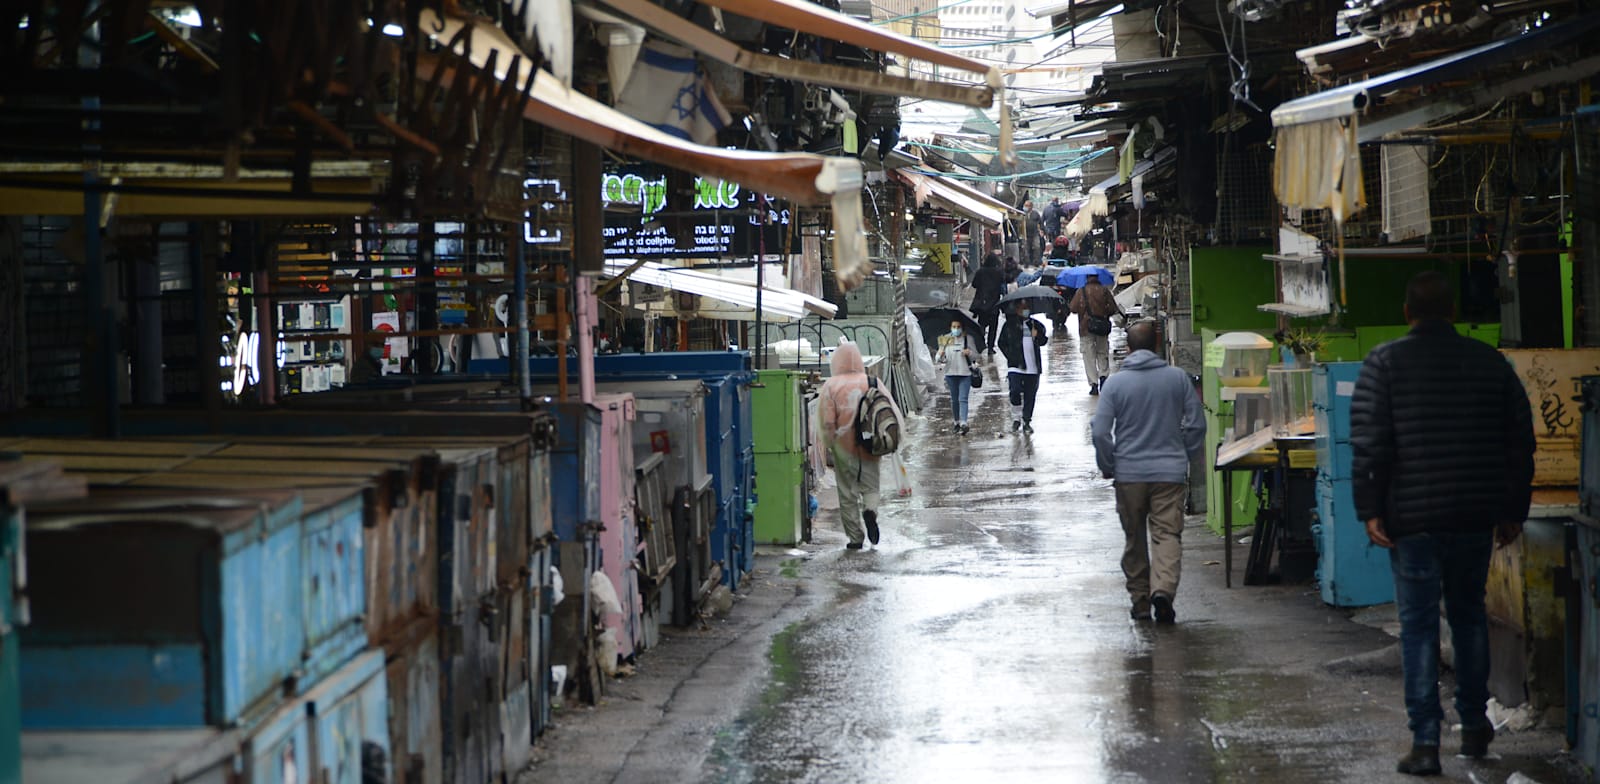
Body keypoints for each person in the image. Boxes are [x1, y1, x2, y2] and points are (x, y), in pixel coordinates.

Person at [1350, 271, 1535, 776]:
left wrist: (1370, 509)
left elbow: (1369, 444)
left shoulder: (1384, 363)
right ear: (1453, 312)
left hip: (1412, 521)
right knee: (1469, 616)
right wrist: (1512, 510)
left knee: (1418, 625)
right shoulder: (1489, 362)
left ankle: (1426, 741)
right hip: (1474, 514)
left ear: (1407, 312)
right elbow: (1520, 441)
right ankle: (1474, 727)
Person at [1091, 321, 1205, 624]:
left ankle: (1140, 602)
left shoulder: (1115, 385)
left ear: (1128, 348)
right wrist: (1184, 455)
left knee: (1134, 539)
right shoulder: (1177, 379)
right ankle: (1163, 590)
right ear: (1156, 345)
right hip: (1169, 474)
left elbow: (1100, 432)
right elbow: (1196, 423)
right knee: (1167, 534)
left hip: (1129, 475)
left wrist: (1109, 465)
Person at [818, 340, 904, 550]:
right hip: (870, 445)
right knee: (871, 486)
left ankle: (855, 538)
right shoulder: (872, 382)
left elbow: (827, 423)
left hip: (843, 447)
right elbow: (889, 411)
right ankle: (870, 510)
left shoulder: (831, 386)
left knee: (847, 493)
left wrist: (829, 443)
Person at [998, 301, 1047, 433]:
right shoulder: (1010, 325)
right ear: (1017, 309)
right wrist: (1011, 356)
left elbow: (1043, 341)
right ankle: (1016, 417)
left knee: (1030, 395)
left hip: (1033, 367)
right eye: (1022, 308)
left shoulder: (1036, 325)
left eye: (1027, 308)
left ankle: (1026, 421)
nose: (1025, 311)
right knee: (1015, 390)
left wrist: (1037, 336)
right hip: (1016, 366)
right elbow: (1001, 343)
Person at [1069, 274, 1123, 395]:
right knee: (1102, 352)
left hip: (1085, 328)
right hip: (1102, 327)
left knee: (1089, 356)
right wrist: (1102, 312)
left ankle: (1093, 383)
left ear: (1086, 278)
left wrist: (1084, 311)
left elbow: (1072, 308)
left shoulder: (1081, 291)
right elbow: (1113, 308)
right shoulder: (1104, 290)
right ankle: (1103, 376)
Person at [937, 319, 979, 435]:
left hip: (965, 373)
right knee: (954, 400)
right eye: (954, 327)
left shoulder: (968, 339)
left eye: (958, 326)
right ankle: (956, 422)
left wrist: (969, 353)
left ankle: (964, 422)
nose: (956, 329)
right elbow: (938, 358)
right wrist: (941, 356)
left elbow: (976, 355)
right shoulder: (945, 339)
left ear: (962, 327)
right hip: (950, 374)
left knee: (963, 398)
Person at [970, 253, 1006, 354]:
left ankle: (980, 344)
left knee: (981, 325)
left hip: (982, 304)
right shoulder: (999, 272)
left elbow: (974, 284)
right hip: (994, 304)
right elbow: (1003, 284)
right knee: (993, 327)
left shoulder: (980, 271)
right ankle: (990, 348)